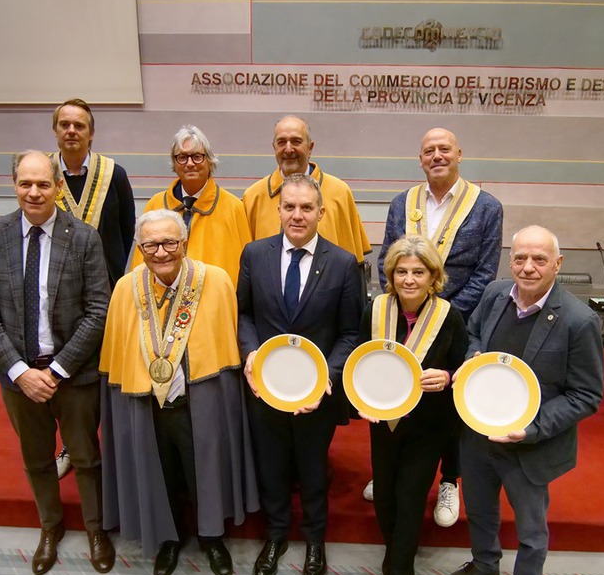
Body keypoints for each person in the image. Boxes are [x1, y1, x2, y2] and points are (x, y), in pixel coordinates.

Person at [0, 150, 113, 575]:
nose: (34, 192)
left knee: (86, 458)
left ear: (57, 187)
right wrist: (19, 371)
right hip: (18, 378)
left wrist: (56, 370)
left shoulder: (85, 237)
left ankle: (95, 529)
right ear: (14, 185)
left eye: (43, 184)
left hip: (73, 375)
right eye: (25, 184)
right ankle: (50, 528)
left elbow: (98, 310)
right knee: (36, 459)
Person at [442, 225, 604, 575]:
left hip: (531, 444)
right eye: (519, 258)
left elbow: (586, 395)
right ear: (509, 260)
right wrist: (473, 357)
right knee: (480, 511)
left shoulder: (579, 322)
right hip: (479, 432)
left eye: (539, 259)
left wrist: (531, 429)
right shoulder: (495, 293)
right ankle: (484, 565)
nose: (528, 267)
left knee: (531, 530)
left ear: (557, 264)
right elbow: (475, 334)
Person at [99, 209, 259, 575]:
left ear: (184, 243)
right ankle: (169, 539)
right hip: (146, 402)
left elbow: (227, 340)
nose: (161, 252)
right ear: (139, 248)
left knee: (205, 470)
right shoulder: (126, 288)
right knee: (161, 473)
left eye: (170, 242)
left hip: (200, 398)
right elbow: (117, 350)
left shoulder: (214, 280)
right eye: (151, 244)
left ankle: (211, 538)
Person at [369, 127, 504, 528]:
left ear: (459, 154)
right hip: (403, 318)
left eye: (444, 149)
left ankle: (449, 479)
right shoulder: (402, 203)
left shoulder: (486, 206)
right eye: (429, 150)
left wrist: (443, 315)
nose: (437, 156)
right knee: (394, 389)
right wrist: (405, 305)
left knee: (449, 403)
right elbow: (387, 261)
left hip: (456, 321)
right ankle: (388, 468)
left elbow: (485, 271)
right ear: (420, 158)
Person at [237, 173, 363, 575]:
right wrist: (250, 352)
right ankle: (274, 537)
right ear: (278, 211)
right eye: (289, 207)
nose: (297, 215)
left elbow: (350, 332)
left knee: (312, 469)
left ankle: (314, 541)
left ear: (321, 212)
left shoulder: (344, 263)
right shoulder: (254, 255)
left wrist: (328, 373)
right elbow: (244, 315)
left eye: (306, 208)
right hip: (265, 388)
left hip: (317, 392)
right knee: (271, 466)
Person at [358, 235, 468, 575]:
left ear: (433, 276)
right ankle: (395, 551)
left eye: (418, 272)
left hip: (429, 424)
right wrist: (360, 399)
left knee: (410, 494)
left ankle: (401, 569)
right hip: (383, 421)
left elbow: (462, 369)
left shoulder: (449, 316)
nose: (409, 279)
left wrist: (449, 376)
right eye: (401, 271)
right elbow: (359, 362)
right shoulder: (374, 310)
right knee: (385, 494)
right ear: (391, 273)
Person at [50, 98, 136, 478]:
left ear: (91, 132)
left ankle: (116, 447)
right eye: (65, 124)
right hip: (60, 297)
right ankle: (72, 444)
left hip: (110, 292)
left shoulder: (113, 173)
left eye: (79, 125)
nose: (71, 131)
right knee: (68, 375)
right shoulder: (43, 175)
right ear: (56, 130)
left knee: (109, 371)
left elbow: (128, 227)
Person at [241, 115, 371, 289]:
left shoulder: (339, 192)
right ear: (274, 147)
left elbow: (355, 266)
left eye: (296, 141)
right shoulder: (253, 196)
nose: (288, 149)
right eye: (281, 142)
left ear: (310, 148)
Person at [131, 125, 251, 287]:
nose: (189, 163)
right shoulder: (156, 204)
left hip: (213, 300)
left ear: (209, 160)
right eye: (182, 157)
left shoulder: (233, 207)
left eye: (197, 156)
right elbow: (140, 265)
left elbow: (246, 269)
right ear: (174, 162)